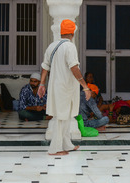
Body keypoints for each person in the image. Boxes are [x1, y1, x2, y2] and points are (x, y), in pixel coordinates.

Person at [38, 19, 91, 156]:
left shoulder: (52, 46)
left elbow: (45, 66)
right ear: (73, 32)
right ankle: (54, 149)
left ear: (61, 32)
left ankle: (67, 144)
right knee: (61, 117)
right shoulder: (70, 47)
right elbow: (74, 67)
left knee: (67, 116)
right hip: (65, 87)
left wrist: (42, 84)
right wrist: (85, 86)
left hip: (58, 87)